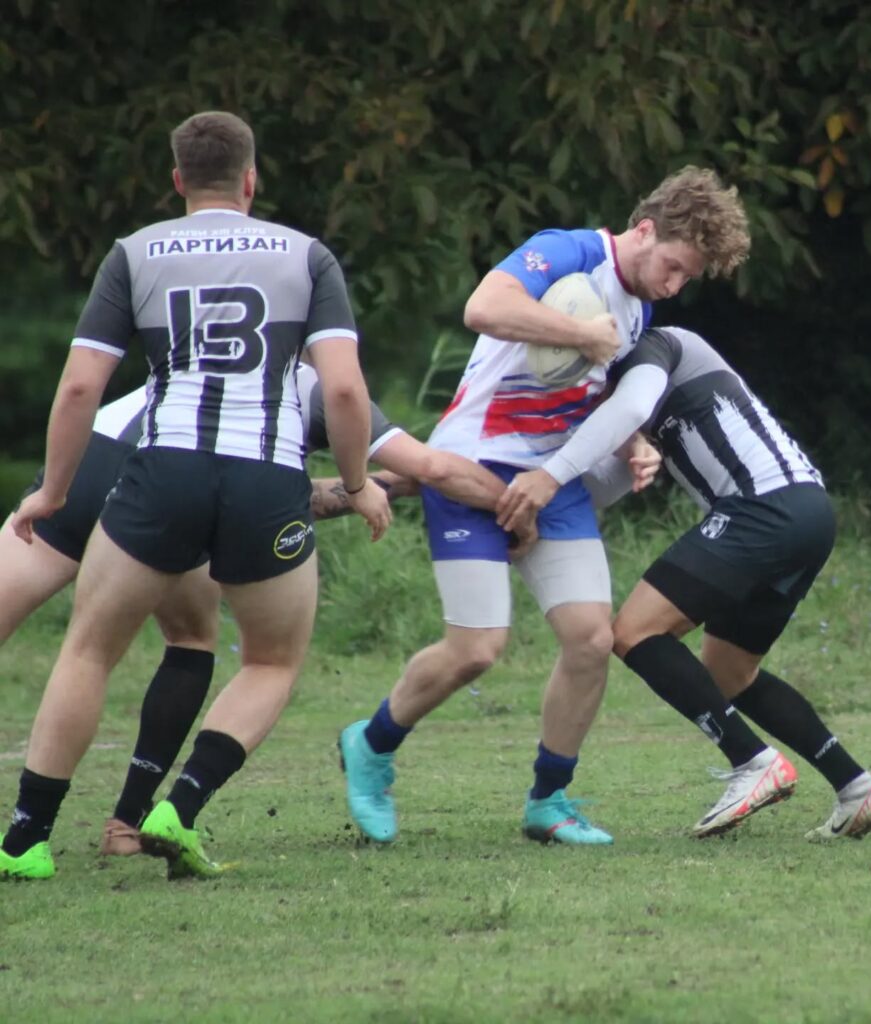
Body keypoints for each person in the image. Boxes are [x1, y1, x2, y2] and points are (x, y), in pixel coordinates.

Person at [0, 110, 393, 881]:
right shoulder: (307, 256)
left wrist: (53, 491)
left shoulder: (135, 253)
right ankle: (178, 807)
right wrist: (356, 485)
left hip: (163, 471)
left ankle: (25, 840)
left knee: (89, 649)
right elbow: (344, 390)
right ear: (251, 179)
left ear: (178, 179)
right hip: (266, 480)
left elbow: (80, 386)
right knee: (271, 661)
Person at [339, 167, 751, 846]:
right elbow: (483, 307)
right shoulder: (568, 251)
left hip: (549, 480)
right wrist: (580, 333)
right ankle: (372, 744)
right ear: (645, 230)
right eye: (674, 266)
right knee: (476, 650)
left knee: (592, 640)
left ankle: (549, 800)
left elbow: (596, 391)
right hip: (472, 462)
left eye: (689, 277)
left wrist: (635, 443)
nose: (675, 285)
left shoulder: (640, 309)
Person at [0, 360, 523, 860]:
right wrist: (520, 500)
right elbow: (431, 466)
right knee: (190, 640)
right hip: (168, 485)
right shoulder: (315, 383)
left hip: (95, 455)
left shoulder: (198, 353)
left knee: (83, 648)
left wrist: (379, 486)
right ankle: (125, 823)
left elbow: (285, 497)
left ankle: (30, 835)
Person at [498, 325, 871, 839]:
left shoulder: (656, 345)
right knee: (729, 673)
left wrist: (554, 476)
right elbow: (608, 465)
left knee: (635, 631)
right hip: (807, 511)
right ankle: (857, 787)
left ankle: (751, 761)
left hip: (763, 507)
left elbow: (627, 409)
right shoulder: (631, 385)